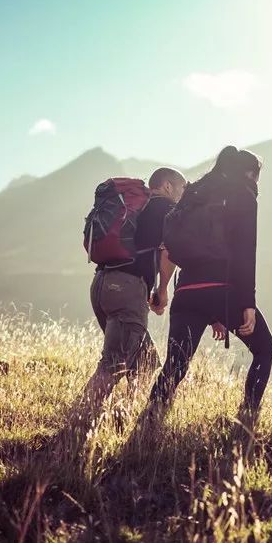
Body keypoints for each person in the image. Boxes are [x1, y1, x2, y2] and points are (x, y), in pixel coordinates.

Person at [145, 146, 272, 438]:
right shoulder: (242, 193)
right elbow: (244, 252)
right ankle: (247, 421)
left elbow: (179, 248)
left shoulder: (195, 192)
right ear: (250, 173)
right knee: (265, 350)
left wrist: (203, 306)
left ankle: (147, 424)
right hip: (223, 290)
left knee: (175, 365)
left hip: (187, 291)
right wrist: (247, 303)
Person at [80, 167, 187, 414]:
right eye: (180, 189)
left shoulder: (137, 207)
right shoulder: (164, 208)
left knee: (145, 362)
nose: (182, 195)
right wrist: (162, 290)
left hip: (102, 283)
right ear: (168, 186)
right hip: (127, 288)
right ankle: (73, 430)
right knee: (113, 364)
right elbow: (167, 252)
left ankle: (125, 419)